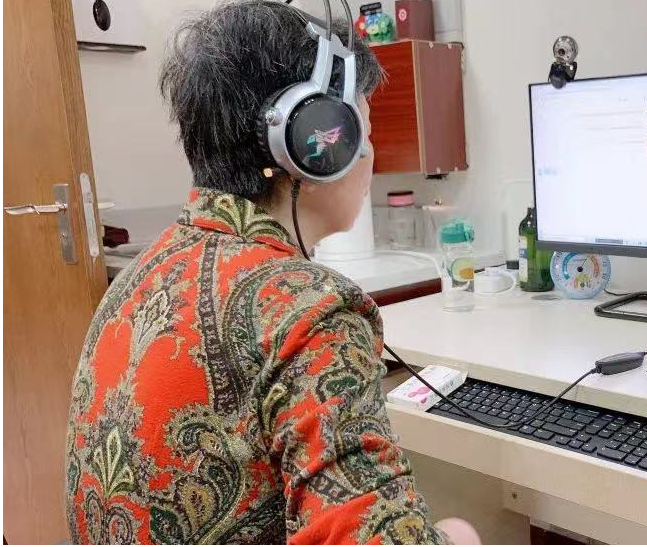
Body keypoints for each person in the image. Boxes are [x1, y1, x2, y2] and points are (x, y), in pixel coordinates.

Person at [63, 2, 479, 544]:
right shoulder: (306, 308)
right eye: (364, 133)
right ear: (314, 144)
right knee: (462, 528)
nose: (370, 154)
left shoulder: (138, 276)